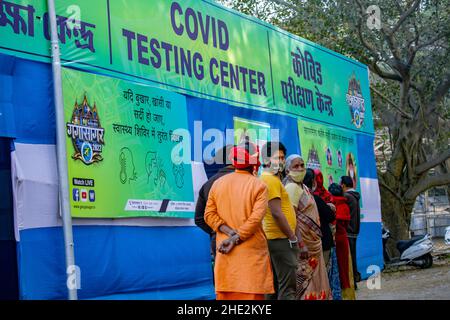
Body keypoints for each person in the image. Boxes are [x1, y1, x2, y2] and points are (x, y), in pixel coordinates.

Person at [204, 145, 274, 300]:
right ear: (253, 164)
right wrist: (236, 237)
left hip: (226, 259)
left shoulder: (218, 184)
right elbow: (255, 219)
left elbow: (208, 215)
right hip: (251, 262)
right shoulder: (259, 185)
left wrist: (229, 233)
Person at [283, 156, 332, 300]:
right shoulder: (291, 187)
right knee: (305, 282)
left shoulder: (303, 187)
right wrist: (301, 242)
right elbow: (291, 217)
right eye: (295, 166)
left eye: (302, 165)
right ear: (287, 170)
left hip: (314, 243)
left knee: (316, 281)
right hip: (304, 244)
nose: (300, 169)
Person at [260, 142, 300, 300]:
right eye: (278, 157)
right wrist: (292, 237)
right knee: (287, 287)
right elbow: (276, 212)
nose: (282, 161)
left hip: (277, 238)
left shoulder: (270, 179)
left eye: (283, 158)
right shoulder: (270, 180)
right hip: (280, 239)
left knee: (276, 285)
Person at [195, 145, 235, 264]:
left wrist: (216, 231)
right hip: (245, 239)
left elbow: (199, 219)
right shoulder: (248, 181)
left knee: (223, 280)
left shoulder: (208, 184)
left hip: (218, 241)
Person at [309, 169, 341, 300]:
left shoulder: (309, 197)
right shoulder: (315, 198)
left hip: (310, 242)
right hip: (322, 241)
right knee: (323, 274)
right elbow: (330, 216)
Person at [328, 183, 356, 300]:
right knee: (345, 270)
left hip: (334, 240)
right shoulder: (344, 205)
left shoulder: (331, 205)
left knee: (335, 270)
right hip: (343, 240)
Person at [341, 175, 361, 288]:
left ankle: (353, 282)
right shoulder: (355, 195)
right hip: (354, 231)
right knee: (352, 257)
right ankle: (355, 280)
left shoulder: (347, 196)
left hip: (348, 232)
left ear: (343, 185)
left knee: (348, 259)